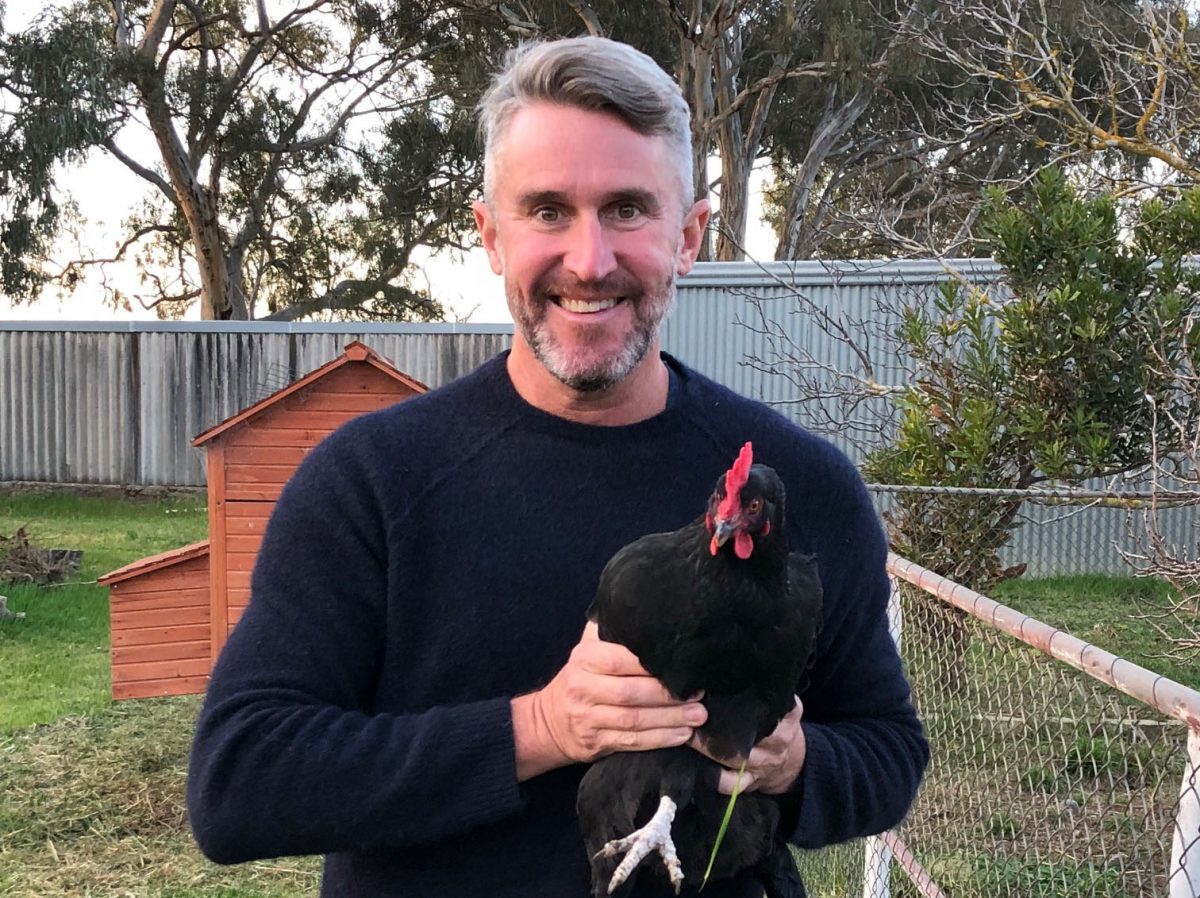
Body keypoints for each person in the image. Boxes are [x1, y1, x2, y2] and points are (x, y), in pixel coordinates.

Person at [187, 36, 929, 898]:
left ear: (688, 237)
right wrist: (538, 727)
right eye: (547, 210)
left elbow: (888, 754)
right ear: (490, 236)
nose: (589, 261)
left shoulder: (799, 486)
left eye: (627, 209)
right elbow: (239, 781)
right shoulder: (371, 483)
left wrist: (792, 762)